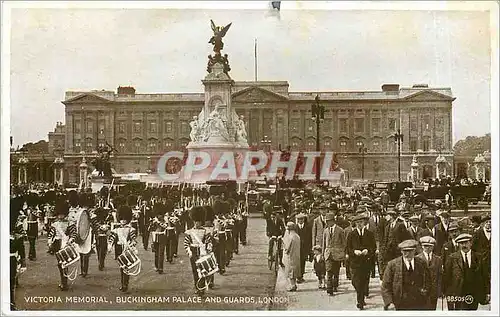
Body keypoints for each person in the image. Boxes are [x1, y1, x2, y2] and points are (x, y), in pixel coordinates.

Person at [382, 239, 431, 310]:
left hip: (419, 302)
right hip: (399, 303)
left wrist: (425, 291)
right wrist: (389, 302)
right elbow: (385, 286)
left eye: (410, 251)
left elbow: (428, 280)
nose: (407, 254)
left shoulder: (421, 263)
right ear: (401, 251)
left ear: (414, 251)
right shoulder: (392, 265)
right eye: (405, 251)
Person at [443, 233, 488, 310]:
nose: (464, 245)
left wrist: (487, 292)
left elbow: (484, 276)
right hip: (458, 293)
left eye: (466, 242)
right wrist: (448, 294)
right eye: (461, 243)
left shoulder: (479, 257)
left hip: (474, 292)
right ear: (458, 245)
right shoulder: (452, 258)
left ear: (471, 243)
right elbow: (447, 277)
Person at [346, 213, 377, 310]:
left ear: (364, 223)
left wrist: (367, 251)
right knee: (355, 281)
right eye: (357, 222)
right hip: (355, 262)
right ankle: (361, 295)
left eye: (361, 222)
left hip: (366, 262)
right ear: (355, 223)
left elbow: (374, 247)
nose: (359, 224)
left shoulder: (369, 234)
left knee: (364, 281)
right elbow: (347, 248)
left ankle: (360, 301)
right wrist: (354, 251)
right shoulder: (351, 234)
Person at [47, 200, 77, 291]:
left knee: (65, 263)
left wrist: (71, 240)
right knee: (61, 264)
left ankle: (64, 283)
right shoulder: (55, 224)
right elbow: (51, 234)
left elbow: (74, 234)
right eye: (59, 214)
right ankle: (64, 281)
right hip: (57, 244)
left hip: (65, 244)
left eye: (62, 214)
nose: (60, 216)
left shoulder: (70, 223)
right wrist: (49, 242)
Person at [108, 205, 138, 292]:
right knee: (122, 267)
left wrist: (131, 244)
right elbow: (112, 239)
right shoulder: (116, 229)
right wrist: (109, 246)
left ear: (127, 219)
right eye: (121, 219)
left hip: (127, 249)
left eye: (124, 219)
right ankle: (123, 283)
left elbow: (134, 240)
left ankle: (125, 284)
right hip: (119, 249)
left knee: (126, 266)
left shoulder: (131, 229)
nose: (123, 221)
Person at [184, 206, 213, 296]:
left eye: (199, 222)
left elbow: (209, 242)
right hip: (193, 252)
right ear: (194, 221)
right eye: (196, 222)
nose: (198, 223)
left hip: (202, 252)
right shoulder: (189, 232)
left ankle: (201, 287)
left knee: (202, 270)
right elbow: (186, 243)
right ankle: (197, 287)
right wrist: (189, 252)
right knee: (195, 271)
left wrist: (208, 250)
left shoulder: (205, 232)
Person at [322, 212, 346, 295]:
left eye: (329, 221)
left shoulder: (340, 230)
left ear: (333, 221)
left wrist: (343, 254)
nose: (327, 223)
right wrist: (322, 254)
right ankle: (329, 289)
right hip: (328, 254)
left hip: (337, 254)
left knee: (336, 271)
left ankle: (335, 285)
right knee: (329, 271)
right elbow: (323, 244)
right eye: (326, 221)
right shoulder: (325, 231)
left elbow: (344, 243)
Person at [417, 236, 442, 310]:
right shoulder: (417, 258)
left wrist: (440, 290)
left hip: (434, 291)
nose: (427, 248)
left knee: (432, 310)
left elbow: (439, 276)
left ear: (433, 247)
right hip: (421, 291)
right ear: (422, 246)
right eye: (425, 246)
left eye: (430, 246)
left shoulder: (438, 259)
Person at [283, 222, 301, 292]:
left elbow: (287, 248)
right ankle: (294, 284)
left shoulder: (290, 237)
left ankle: (293, 285)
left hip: (291, 256)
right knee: (295, 270)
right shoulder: (297, 236)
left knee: (291, 271)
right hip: (296, 255)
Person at [295, 213, 312, 283]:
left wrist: (309, 248)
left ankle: (301, 276)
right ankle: (297, 276)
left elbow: (310, 237)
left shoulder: (308, 227)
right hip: (297, 248)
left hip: (305, 247)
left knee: (303, 262)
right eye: (299, 219)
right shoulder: (295, 227)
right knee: (297, 262)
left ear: (304, 219)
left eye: (301, 219)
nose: (300, 221)